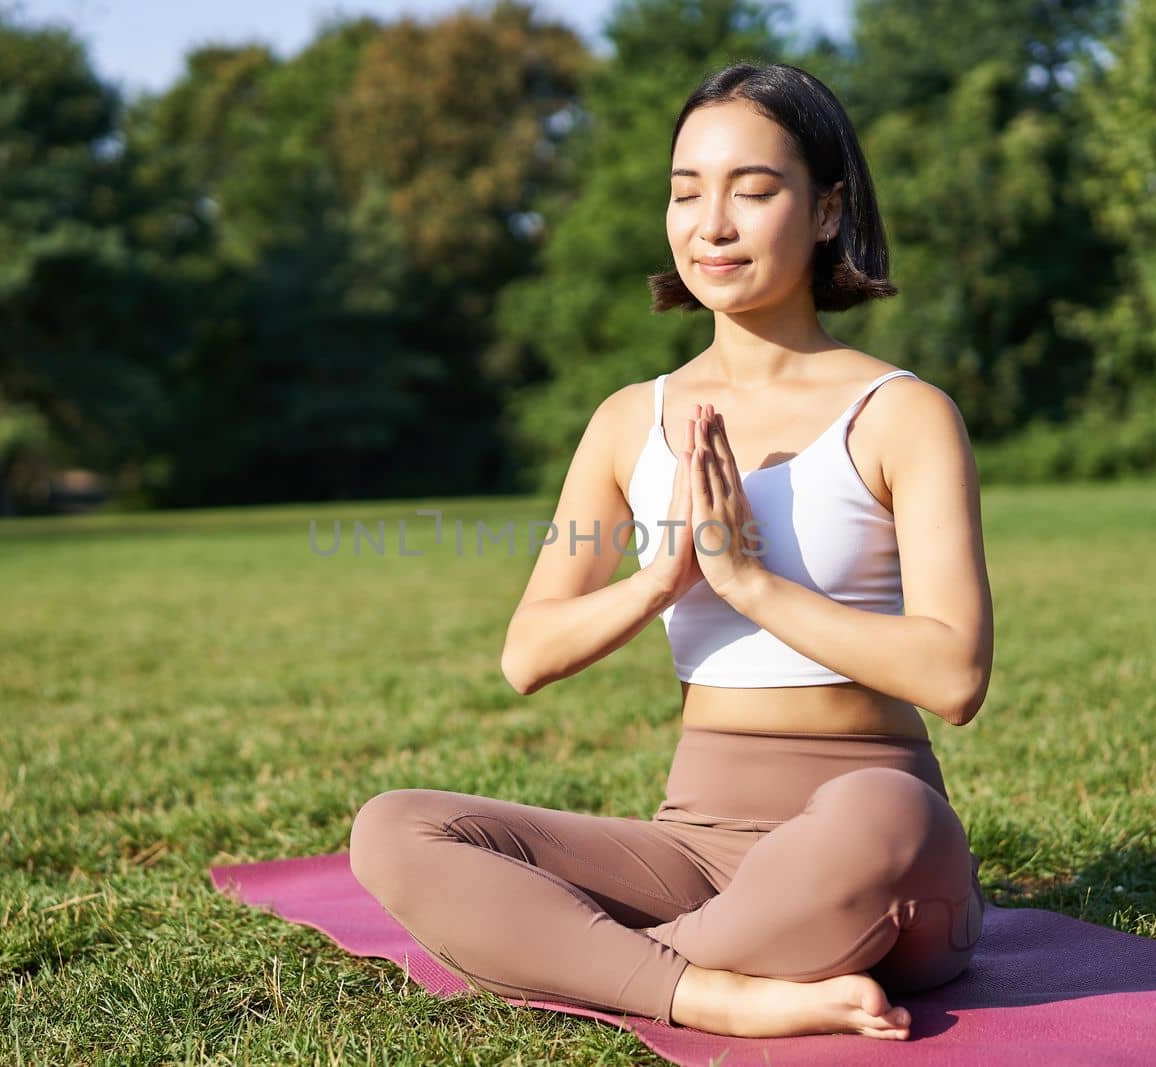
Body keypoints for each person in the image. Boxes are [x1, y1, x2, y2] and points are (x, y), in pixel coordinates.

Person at [348, 61, 994, 1041]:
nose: (712, 224)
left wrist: (749, 581)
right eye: (686, 192)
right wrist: (661, 578)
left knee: (890, 818)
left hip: (869, 835)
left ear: (826, 212)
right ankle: (713, 987)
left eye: (754, 189)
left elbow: (953, 674)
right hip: (690, 841)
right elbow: (527, 654)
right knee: (395, 826)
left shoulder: (899, 413)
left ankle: (603, 959)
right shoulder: (627, 422)